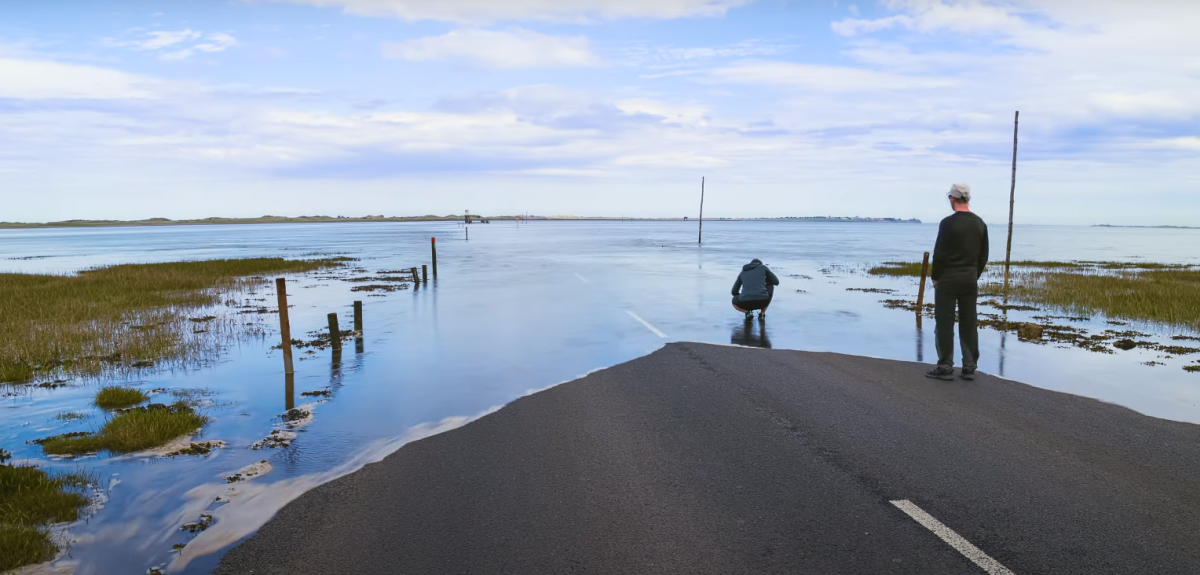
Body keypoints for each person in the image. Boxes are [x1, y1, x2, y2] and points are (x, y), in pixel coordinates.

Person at [926, 183, 989, 381]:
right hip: (969, 279)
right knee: (969, 322)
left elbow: (940, 253)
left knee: (944, 322)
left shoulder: (947, 223)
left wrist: (935, 277)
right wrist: (974, 274)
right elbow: (983, 255)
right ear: (967, 199)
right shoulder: (980, 224)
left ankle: (945, 366)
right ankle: (969, 367)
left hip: (948, 279)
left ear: (953, 199)